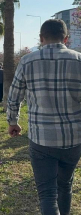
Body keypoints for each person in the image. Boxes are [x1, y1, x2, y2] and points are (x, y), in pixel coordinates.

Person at [7, 19, 81, 215]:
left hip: (42, 140)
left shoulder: (27, 61)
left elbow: (14, 96)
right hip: (74, 139)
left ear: (41, 39)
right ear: (66, 38)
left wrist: (13, 122)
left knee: (48, 194)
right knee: (65, 186)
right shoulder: (79, 60)